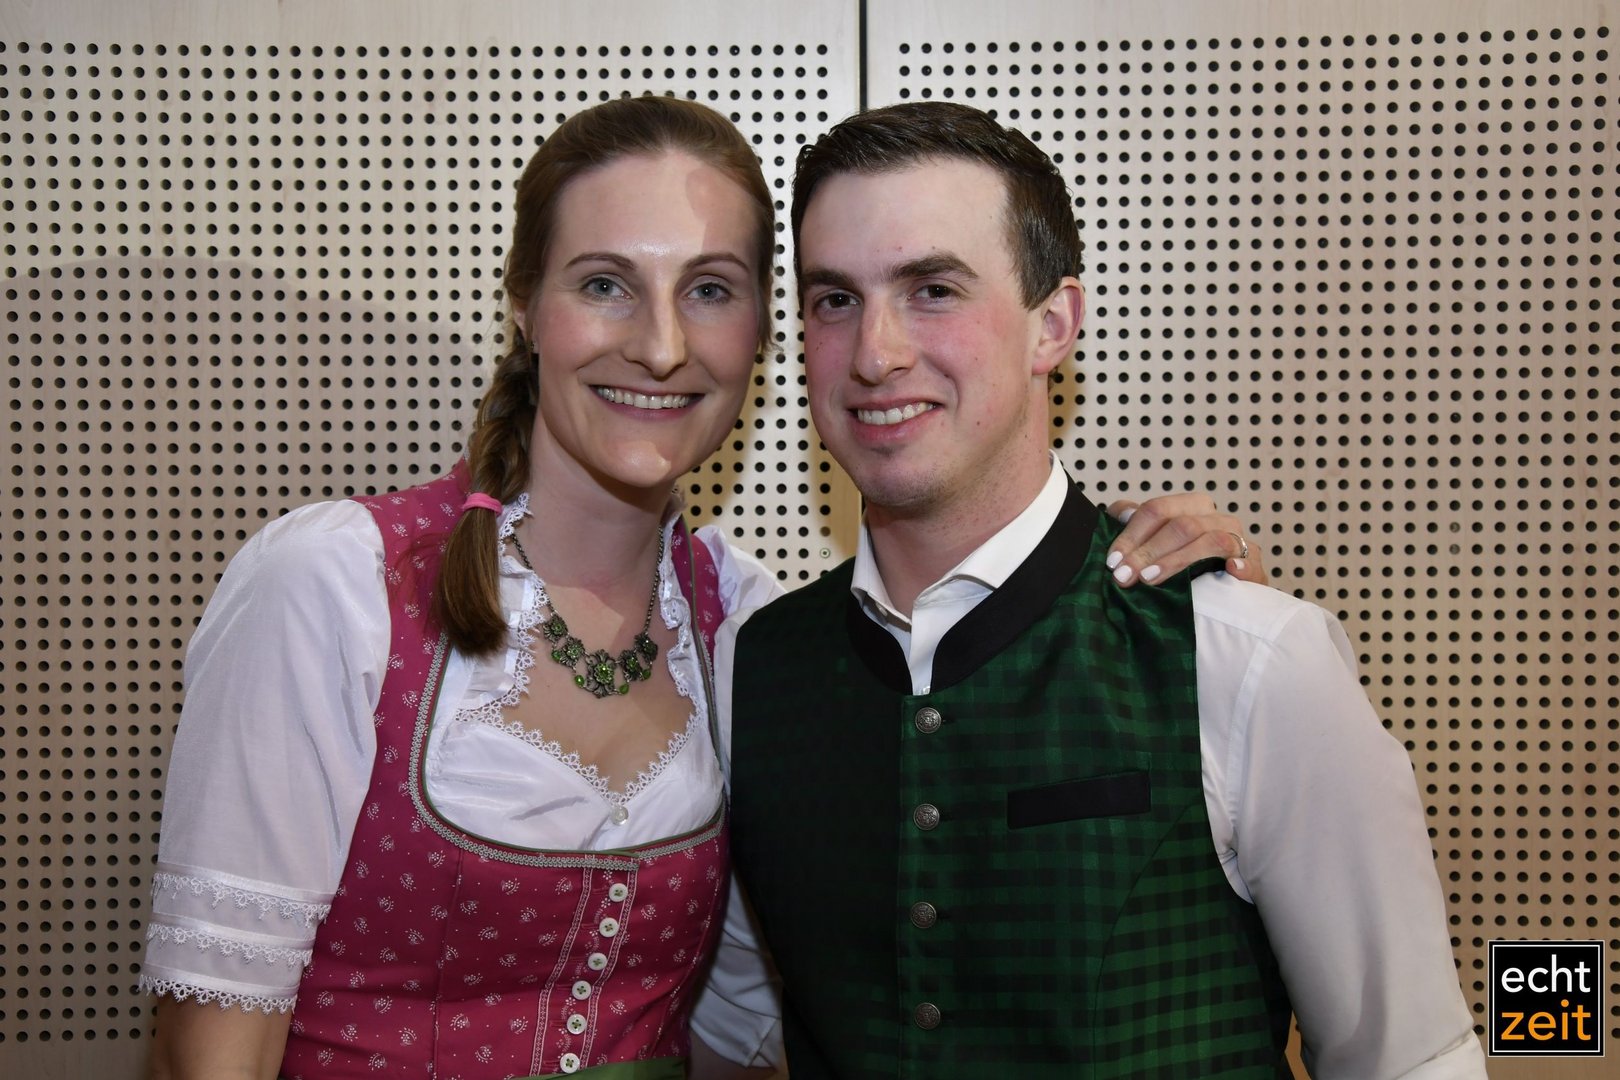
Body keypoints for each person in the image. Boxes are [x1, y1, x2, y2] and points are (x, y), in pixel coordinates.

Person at [139, 95, 1261, 1080]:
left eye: (711, 290)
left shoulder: (747, 628)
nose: (664, 346)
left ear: (764, 330)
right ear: (525, 305)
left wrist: (1116, 568)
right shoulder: (338, 586)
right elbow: (209, 1052)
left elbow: (752, 1023)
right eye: (605, 285)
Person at [718, 102, 1489, 1078]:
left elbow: (1411, 1060)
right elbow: (733, 1029)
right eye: (835, 299)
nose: (876, 353)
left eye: (934, 290)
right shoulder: (750, 668)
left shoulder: (1248, 658)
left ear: (1053, 326)